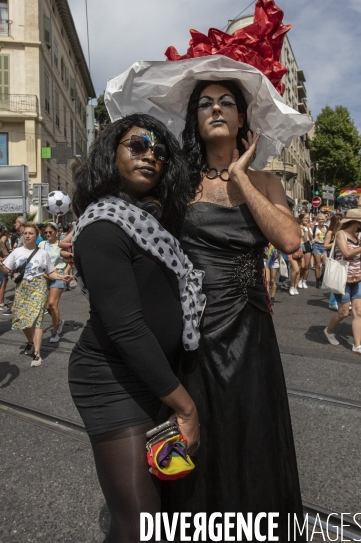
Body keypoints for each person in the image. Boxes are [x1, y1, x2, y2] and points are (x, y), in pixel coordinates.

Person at [162, 79, 305, 538]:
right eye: (205, 104)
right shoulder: (178, 183)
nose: (216, 109)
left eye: (227, 102)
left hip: (251, 328)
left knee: (253, 430)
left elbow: (289, 239)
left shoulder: (264, 181)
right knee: (204, 428)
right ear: (196, 122)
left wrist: (242, 175)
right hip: (196, 329)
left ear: (243, 119)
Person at [68, 113, 203, 543]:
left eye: (160, 151)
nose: (151, 156)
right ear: (112, 154)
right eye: (137, 145)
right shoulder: (103, 225)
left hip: (153, 377)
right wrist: (186, 407)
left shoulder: (155, 223)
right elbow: (126, 329)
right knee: (140, 521)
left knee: (155, 510)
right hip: (111, 380)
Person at [0, 222, 71, 366]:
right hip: (22, 288)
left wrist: (62, 277)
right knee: (22, 320)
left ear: (36, 236)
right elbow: (6, 269)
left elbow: (50, 272)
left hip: (38, 287)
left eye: (30, 233)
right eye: (25, 233)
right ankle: (30, 341)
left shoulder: (42, 253)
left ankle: (37, 354)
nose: (27, 236)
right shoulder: (17, 252)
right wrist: (7, 270)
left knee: (37, 319)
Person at [323, 209, 361, 356]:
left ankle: (357, 346)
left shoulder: (357, 237)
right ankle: (328, 330)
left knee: (358, 311)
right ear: (356, 222)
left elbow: (357, 261)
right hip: (343, 280)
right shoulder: (341, 234)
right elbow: (346, 254)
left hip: (357, 278)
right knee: (344, 312)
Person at [39, 222, 67, 342]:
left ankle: (55, 333)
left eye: (50, 232)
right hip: (44, 276)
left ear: (56, 232)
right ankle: (59, 322)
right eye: (46, 232)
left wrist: (65, 272)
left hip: (58, 274)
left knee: (52, 304)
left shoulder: (61, 245)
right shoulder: (42, 244)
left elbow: (70, 260)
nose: (48, 234)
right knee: (46, 306)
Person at [323, 215, 342, 310]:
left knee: (340, 280)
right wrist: (336, 242)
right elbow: (325, 246)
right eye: (340, 220)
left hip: (341, 257)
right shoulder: (330, 232)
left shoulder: (341, 232)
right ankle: (332, 301)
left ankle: (339, 301)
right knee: (335, 280)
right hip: (333, 257)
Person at [312, 213, 327, 288]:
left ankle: (321, 277)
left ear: (324, 220)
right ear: (317, 220)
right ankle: (317, 280)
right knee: (317, 265)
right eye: (319, 219)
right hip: (316, 246)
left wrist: (326, 233)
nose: (321, 221)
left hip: (324, 246)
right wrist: (312, 239)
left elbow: (330, 237)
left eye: (322, 219)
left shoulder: (326, 227)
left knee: (325, 264)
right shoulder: (314, 227)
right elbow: (310, 234)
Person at [298, 213, 313, 289]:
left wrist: (308, 229)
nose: (306, 220)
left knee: (307, 266)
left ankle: (304, 281)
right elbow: (302, 238)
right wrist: (302, 230)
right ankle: (299, 279)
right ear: (301, 219)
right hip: (301, 245)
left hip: (307, 245)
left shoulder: (308, 227)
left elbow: (310, 238)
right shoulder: (299, 227)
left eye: (307, 218)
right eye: (304, 218)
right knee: (302, 266)